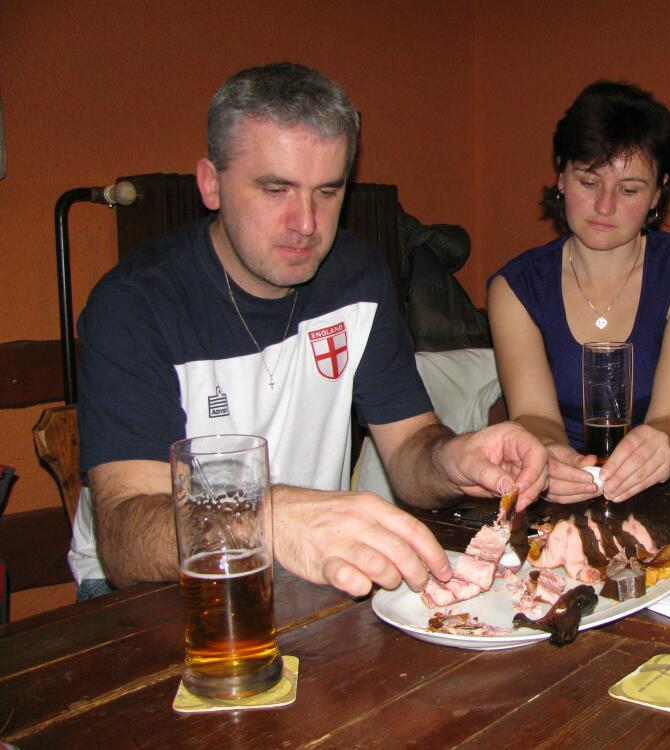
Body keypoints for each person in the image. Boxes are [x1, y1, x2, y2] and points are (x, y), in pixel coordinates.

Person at [70, 62, 547, 600]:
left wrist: (453, 460)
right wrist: (269, 521)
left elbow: (409, 449)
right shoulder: (134, 305)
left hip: (308, 575)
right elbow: (126, 540)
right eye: (276, 189)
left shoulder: (360, 276)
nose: (306, 224)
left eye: (327, 191)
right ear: (211, 184)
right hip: (156, 593)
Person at [488, 81, 670, 504]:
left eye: (629, 189)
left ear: (658, 192)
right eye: (589, 181)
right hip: (556, 490)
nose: (605, 206)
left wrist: (663, 444)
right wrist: (550, 454)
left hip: (658, 493)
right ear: (561, 176)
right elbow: (534, 415)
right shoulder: (515, 288)